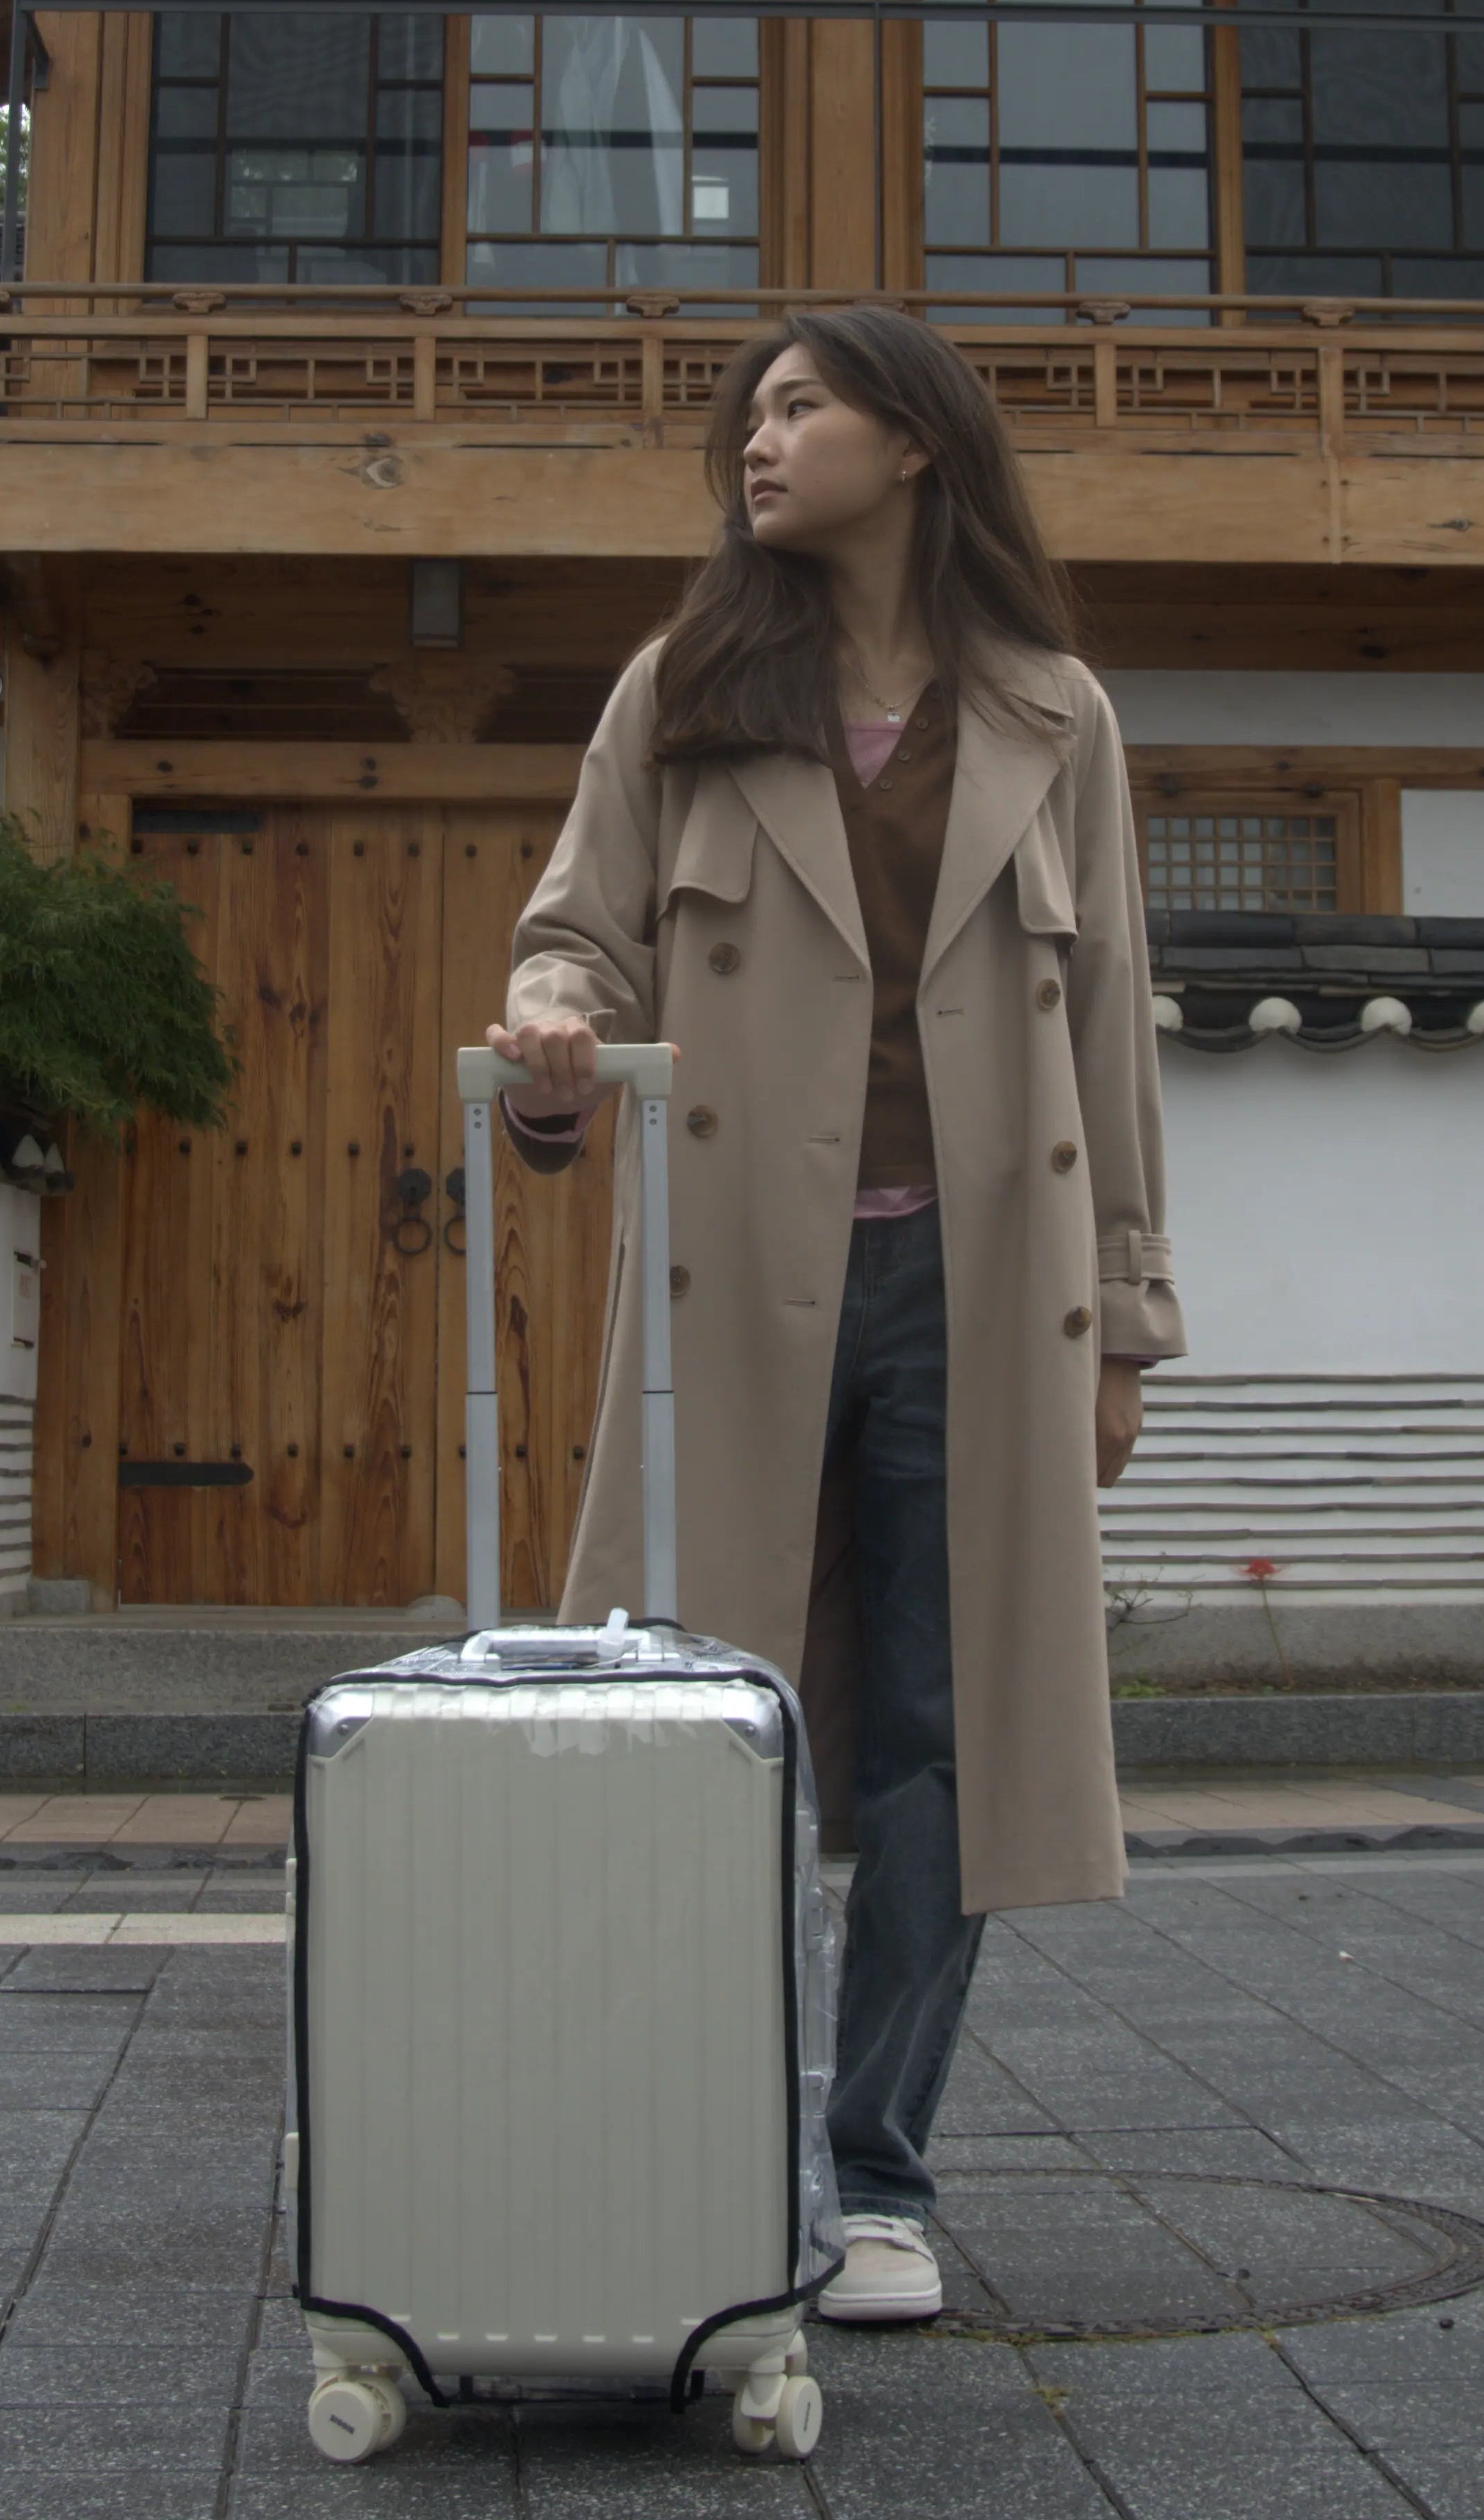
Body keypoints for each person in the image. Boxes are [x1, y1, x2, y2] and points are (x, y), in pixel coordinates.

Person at [486, 305, 1184, 2325]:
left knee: (938, 1738)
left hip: (989, 1293)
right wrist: (553, 1024)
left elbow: (1113, 1030)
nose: (758, 442)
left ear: (919, 442)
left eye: (799, 407)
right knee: (713, 1720)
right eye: (752, 415)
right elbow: (574, 925)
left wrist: (1126, 1321)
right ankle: (716, 2140)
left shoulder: (1059, 716)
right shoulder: (686, 682)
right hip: (738, 1292)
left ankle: (876, 2178)